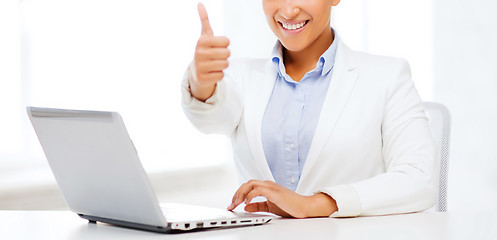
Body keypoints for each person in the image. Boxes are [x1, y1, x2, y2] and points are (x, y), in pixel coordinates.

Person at [181, 0, 436, 218]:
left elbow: (419, 180)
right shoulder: (239, 76)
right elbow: (212, 118)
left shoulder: (388, 76)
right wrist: (201, 82)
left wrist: (314, 204)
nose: (289, 10)